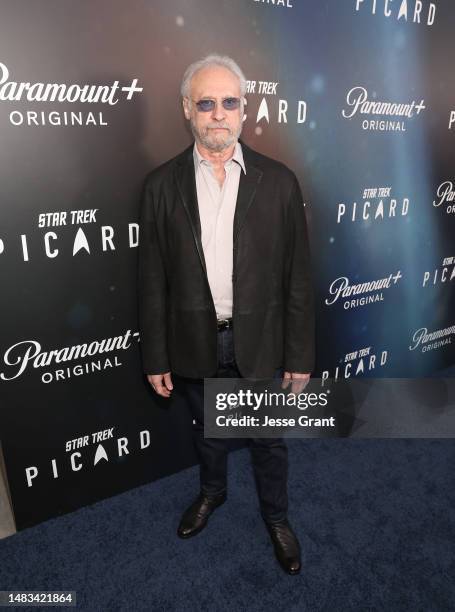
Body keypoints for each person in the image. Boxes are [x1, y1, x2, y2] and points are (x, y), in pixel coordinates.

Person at [137, 54, 315, 575]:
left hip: (259, 339)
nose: (219, 114)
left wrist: (300, 354)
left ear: (244, 109)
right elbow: (152, 280)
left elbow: (298, 278)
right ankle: (212, 493)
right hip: (195, 339)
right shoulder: (160, 186)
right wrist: (156, 355)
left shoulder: (280, 183)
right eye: (207, 103)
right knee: (209, 432)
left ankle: (277, 517)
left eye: (229, 102)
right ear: (187, 110)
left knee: (267, 438)